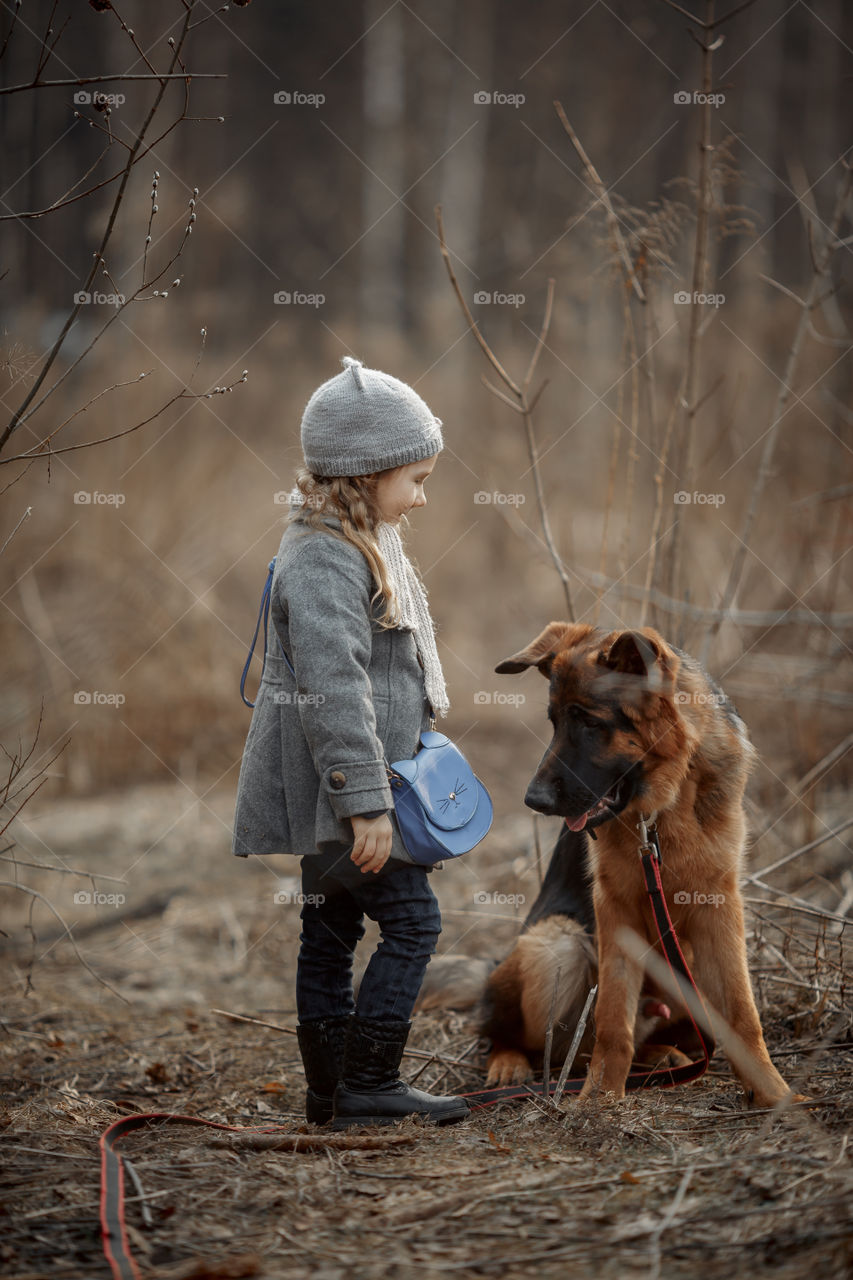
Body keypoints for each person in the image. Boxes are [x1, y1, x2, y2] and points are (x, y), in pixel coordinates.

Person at [232, 356, 470, 1130]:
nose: (422, 496)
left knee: (328, 928)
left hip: (336, 786)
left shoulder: (348, 539)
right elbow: (334, 693)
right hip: (346, 791)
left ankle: (331, 1093)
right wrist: (367, 805)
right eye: (416, 478)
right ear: (366, 475)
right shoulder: (328, 559)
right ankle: (369, 1084)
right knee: (413, 923)